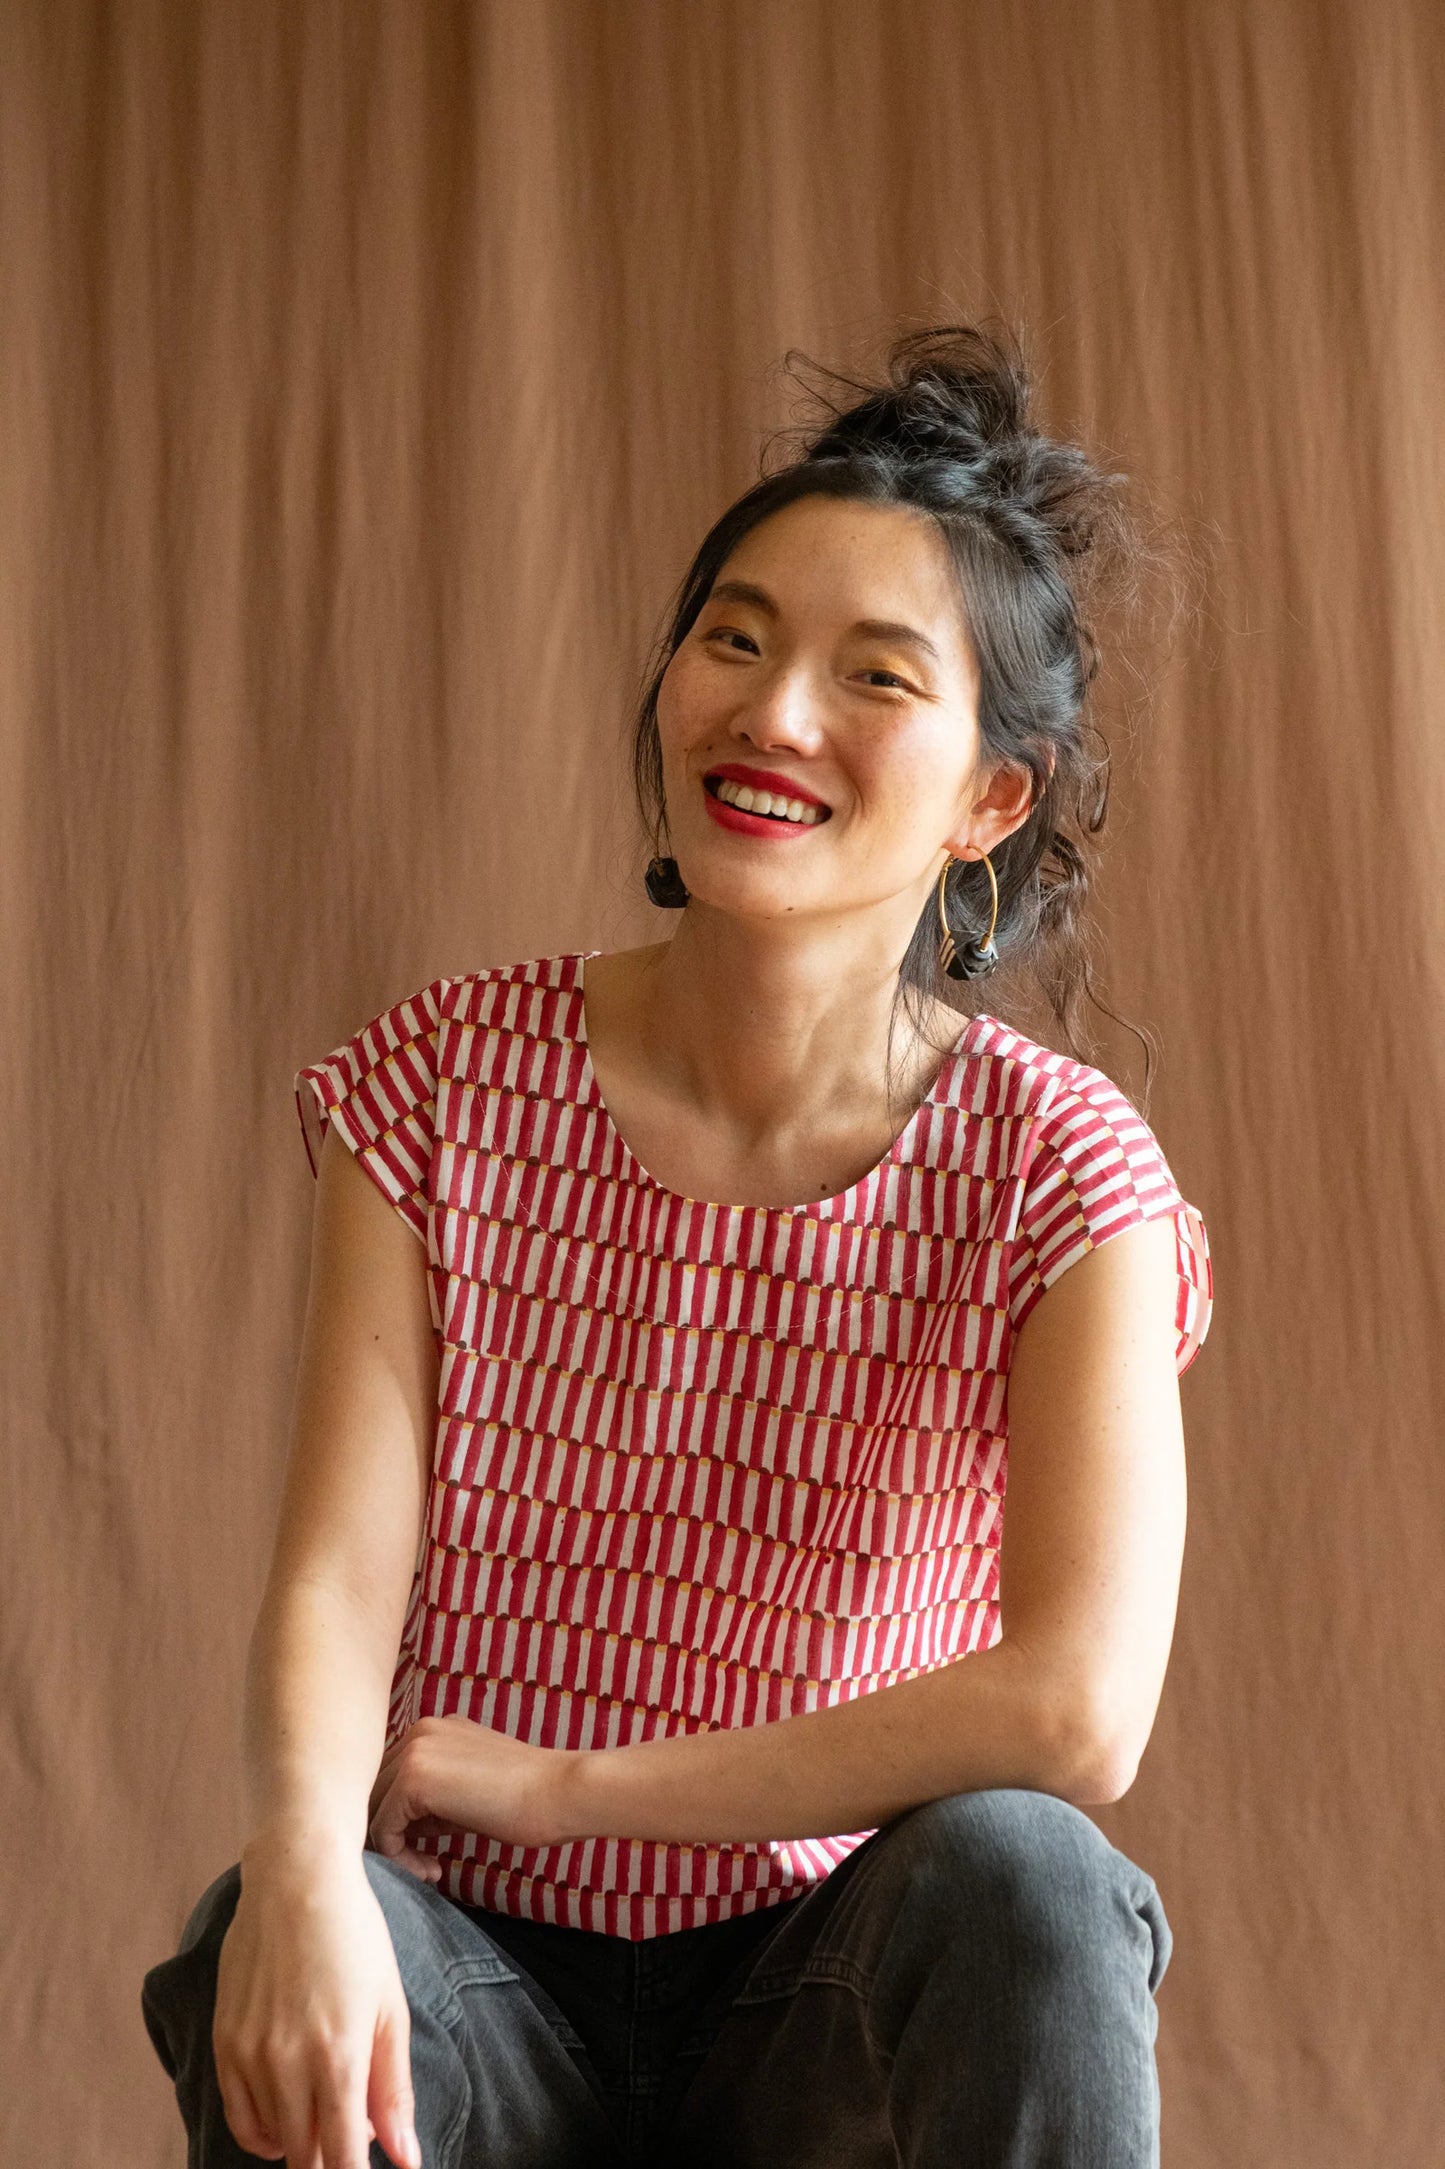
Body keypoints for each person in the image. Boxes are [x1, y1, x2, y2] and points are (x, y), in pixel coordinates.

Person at [141, 319, 1213, 2169]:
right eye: (734, 637)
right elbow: (337, 1575)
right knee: (278, 1922)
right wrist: (303, 1858)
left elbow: (1075, 1708)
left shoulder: (1062, 1168)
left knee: (1031, 1882)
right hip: (480, 1986)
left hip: (828, 1997)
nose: (772, 715)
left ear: (991, 796)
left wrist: (578, 1788)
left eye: (873, 676)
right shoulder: (443, 1078)